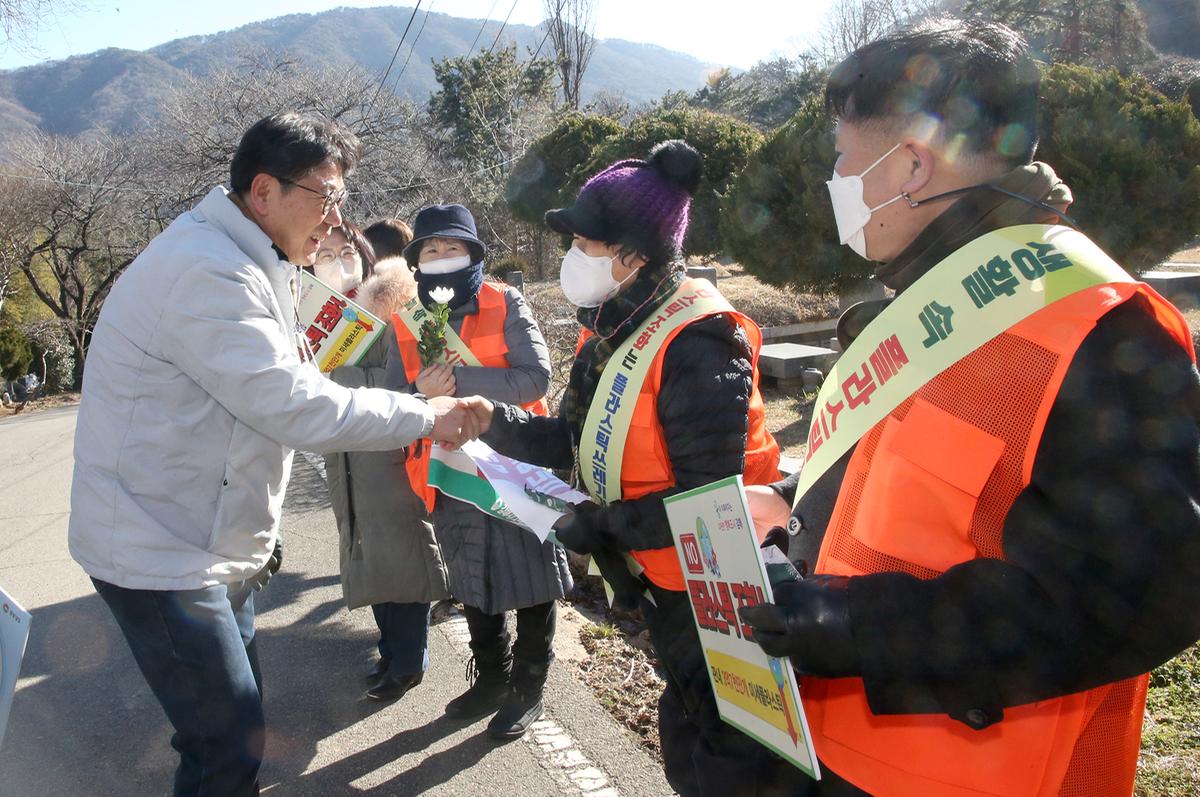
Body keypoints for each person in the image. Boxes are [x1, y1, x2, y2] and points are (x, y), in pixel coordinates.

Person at [735, 18, 1200, 797]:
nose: (835, 181)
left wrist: (858, 626)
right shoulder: (928, 299)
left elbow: (1139, 594)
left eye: (844, 159)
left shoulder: (1101, 331)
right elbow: (916, 479)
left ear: (912, 164)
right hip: (839, 756)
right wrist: (793, 500)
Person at [68, 111, 474, 797]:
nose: (336, 219)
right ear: (264, 192)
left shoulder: (254, 259)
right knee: (224, 741)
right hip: (160, 551)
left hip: (208, 538)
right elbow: (292, 404)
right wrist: (425, 415)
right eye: (326, 197)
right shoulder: (209, 273)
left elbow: (287, 383)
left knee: (235, 728)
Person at [459, 140, 793, 796]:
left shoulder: (701, 339)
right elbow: (574, 436)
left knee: (733, 757)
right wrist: (489, 419)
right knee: (691, 732)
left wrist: (600, 527)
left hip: (720, 589)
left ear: (634, 255)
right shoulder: (614, 326)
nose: (572, 256)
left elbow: (709, 501)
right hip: (656, 576)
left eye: (584, 243)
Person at [392, 203, 571, 740]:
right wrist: (419, 391)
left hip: (515, 461)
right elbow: (393, 397)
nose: (442, 257)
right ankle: (492, 677)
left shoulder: (504, 299)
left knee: (534, 576)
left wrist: (457, 383)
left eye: (453, 247)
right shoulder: (406, 318)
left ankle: (529, 687)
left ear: (473, 253)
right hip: (448, 467)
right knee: (471, 575)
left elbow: (534, 379)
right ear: (416, 262)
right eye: (431, 249)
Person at [315, 221, 453, 702]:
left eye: (345, 252)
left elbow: (412, 378)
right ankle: (391, 650)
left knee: (403, 550)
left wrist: (334, 380)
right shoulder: (316, 315)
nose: (336, 262)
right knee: (368, 551)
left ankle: (408, 661)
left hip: (391, 446)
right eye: (324, 253)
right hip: (347, 447)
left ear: (364, 254)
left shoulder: (395, 303)